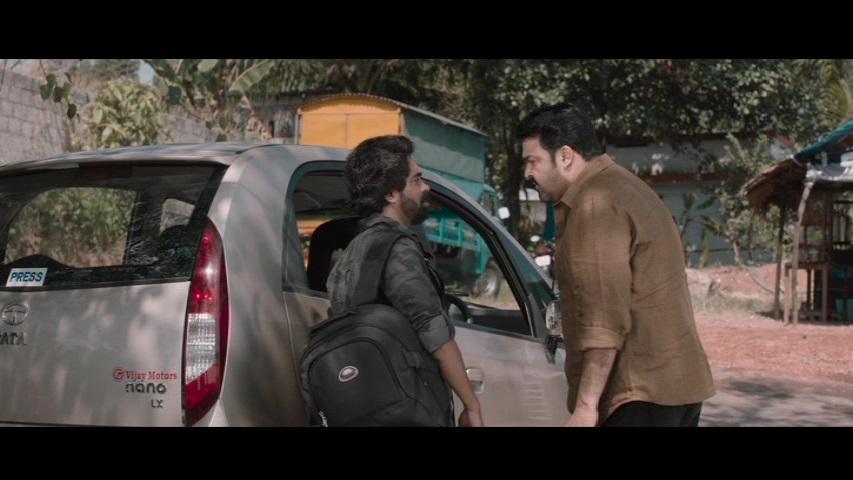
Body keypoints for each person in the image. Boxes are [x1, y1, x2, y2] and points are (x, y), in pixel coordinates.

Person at [514, 102, 716, 427]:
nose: (528, 173)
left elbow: (604, 320)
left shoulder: (595, 203)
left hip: (636, 395)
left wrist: (586, 405)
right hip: (676, 389)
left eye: (533, 161)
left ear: (565, 156)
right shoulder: (625, 186)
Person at [326, 134, 484, 427]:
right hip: (405, 408)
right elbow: (432, 330)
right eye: (417, 179)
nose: (426, 187)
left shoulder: (351, 254)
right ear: (391, 194)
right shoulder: (396, 248)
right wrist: (471, 405)